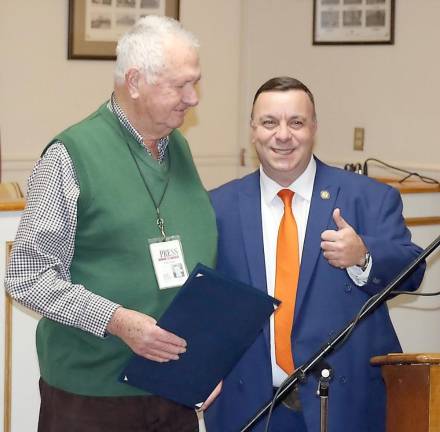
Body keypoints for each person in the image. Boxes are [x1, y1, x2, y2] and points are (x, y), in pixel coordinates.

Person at [5, 15, 218, 432]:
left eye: (196, 82)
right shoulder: (70, 156)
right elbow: (27, 275)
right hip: (93, 397)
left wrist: (210, 357)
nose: (193, 98)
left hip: (174, 388)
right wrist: (117, 320)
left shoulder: (180, 149)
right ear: (134, 81)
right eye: (180, 85)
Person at [205, 76, 425, 432]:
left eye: (296, 122)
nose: (283, 135)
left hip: (341, 406)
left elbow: (413, 271)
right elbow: (205, 304)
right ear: (253, 130)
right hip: (250, 407)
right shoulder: (217, 206)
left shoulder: (368, 198)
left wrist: (364, 255)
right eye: (269, 123)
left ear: (314, 128)